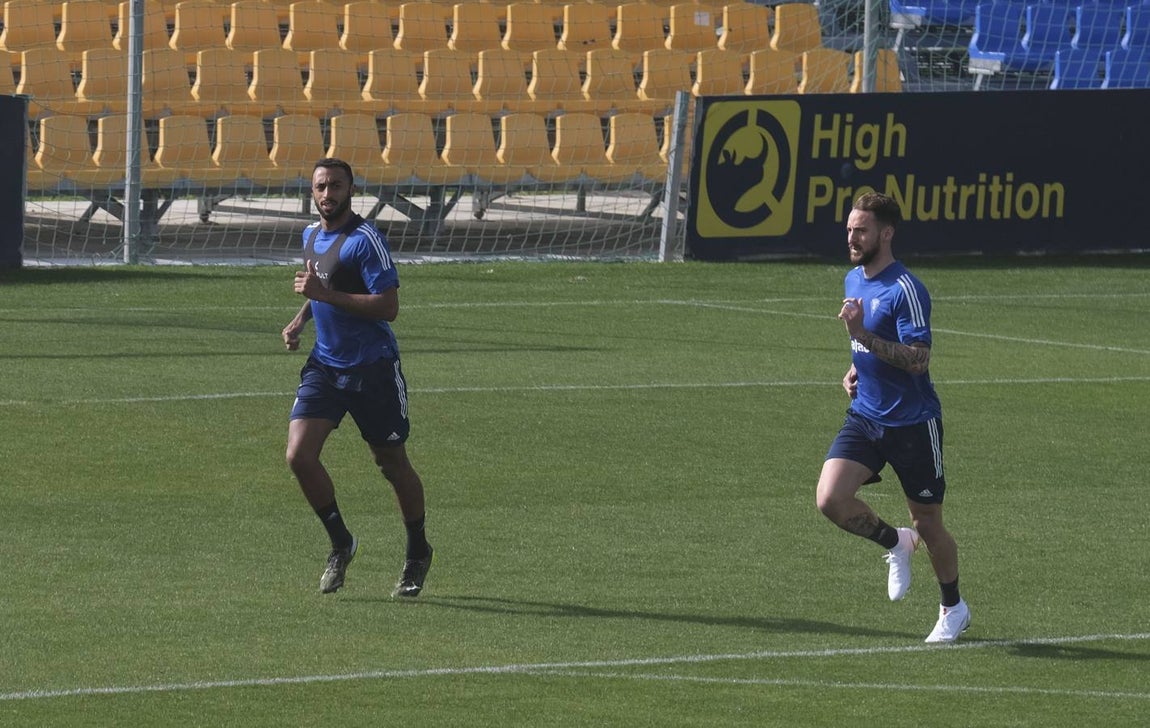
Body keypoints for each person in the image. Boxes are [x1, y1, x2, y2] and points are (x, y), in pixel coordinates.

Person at [815, 191, 970, 643]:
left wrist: (861, 333)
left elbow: (918, 359)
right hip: (865, 416)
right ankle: (895, 543)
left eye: (860, 230)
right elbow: (866, 345)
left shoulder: (907, 289)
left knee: (929, 522)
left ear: (886, 233)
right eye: (849, 229)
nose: (852, 237)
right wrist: (853, 366)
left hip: (912, 424)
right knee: (830, 500)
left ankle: (953, 608)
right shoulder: (852, 279)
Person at [281, 158, 433, 597]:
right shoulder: (311, 235)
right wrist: (300, 320)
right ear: (312, 191)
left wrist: (323, 295)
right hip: (326, 366)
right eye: (320, 187)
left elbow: (388, 307)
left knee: (391, 465)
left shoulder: (366, 240)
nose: (327, 194)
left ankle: (418, 550)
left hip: (372, 370)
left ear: (351, 189)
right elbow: (320, 287)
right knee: (298, 456)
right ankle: (341, 543)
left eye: (336, 186)